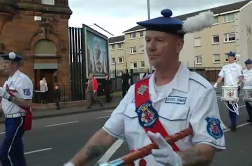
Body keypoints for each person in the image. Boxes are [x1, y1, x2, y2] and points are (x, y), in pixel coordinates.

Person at [63, 9, 225, 166]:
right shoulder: (137, 90)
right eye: (148, 40)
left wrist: (179, 159)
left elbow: (207, 147)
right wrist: (73, 163)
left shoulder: (200, 90)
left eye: (159, 40)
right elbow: (106, 135)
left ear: (179, 45)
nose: (150, 47)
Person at [0, 52, 33, 166]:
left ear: (14, 64)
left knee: (5, 153)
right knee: (17, 154)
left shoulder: (23, 79)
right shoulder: (8, 80)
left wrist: (8, 96)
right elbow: (3, 103)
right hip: (8, 121)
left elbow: (28, 103)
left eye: (6, 62)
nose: (3, 65)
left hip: (18, 120)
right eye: (3, 62)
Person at [214, 51, 243, 131]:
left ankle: (233, 123)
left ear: (234, 58)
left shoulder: (238, 66)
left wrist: (237, 82)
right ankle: (232, 122)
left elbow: (241, 77)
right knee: (230, 106)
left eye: (230, 56)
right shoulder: (225, 67)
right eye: (228, 56)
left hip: (235, 88)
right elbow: (221, 77)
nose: (229, 58)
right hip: (227, 89)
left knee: (233, 104)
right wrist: (216, 84)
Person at [242, 59, 252, 123]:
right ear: (246, 65)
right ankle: (250, 117)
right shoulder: (244, 71)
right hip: (246, 89)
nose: (250, 65)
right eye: (249, 64)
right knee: (248, 104)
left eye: (251, 64)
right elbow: (242, 80)